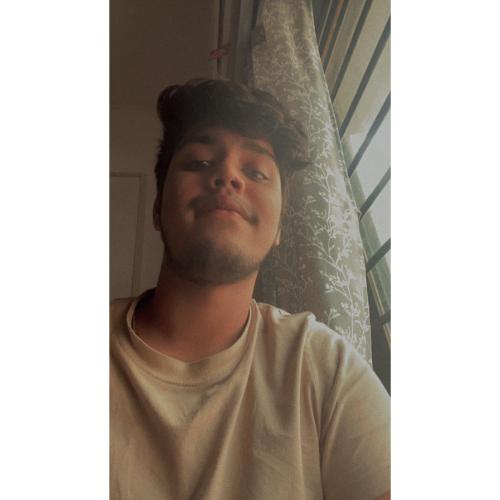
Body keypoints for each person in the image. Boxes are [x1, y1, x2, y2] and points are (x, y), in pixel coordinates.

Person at [110, 79, 390, 500]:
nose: (227, 175)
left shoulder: (324, 366)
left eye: (256, 171)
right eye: (199, 162)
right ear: (156, 208)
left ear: (278, 230)